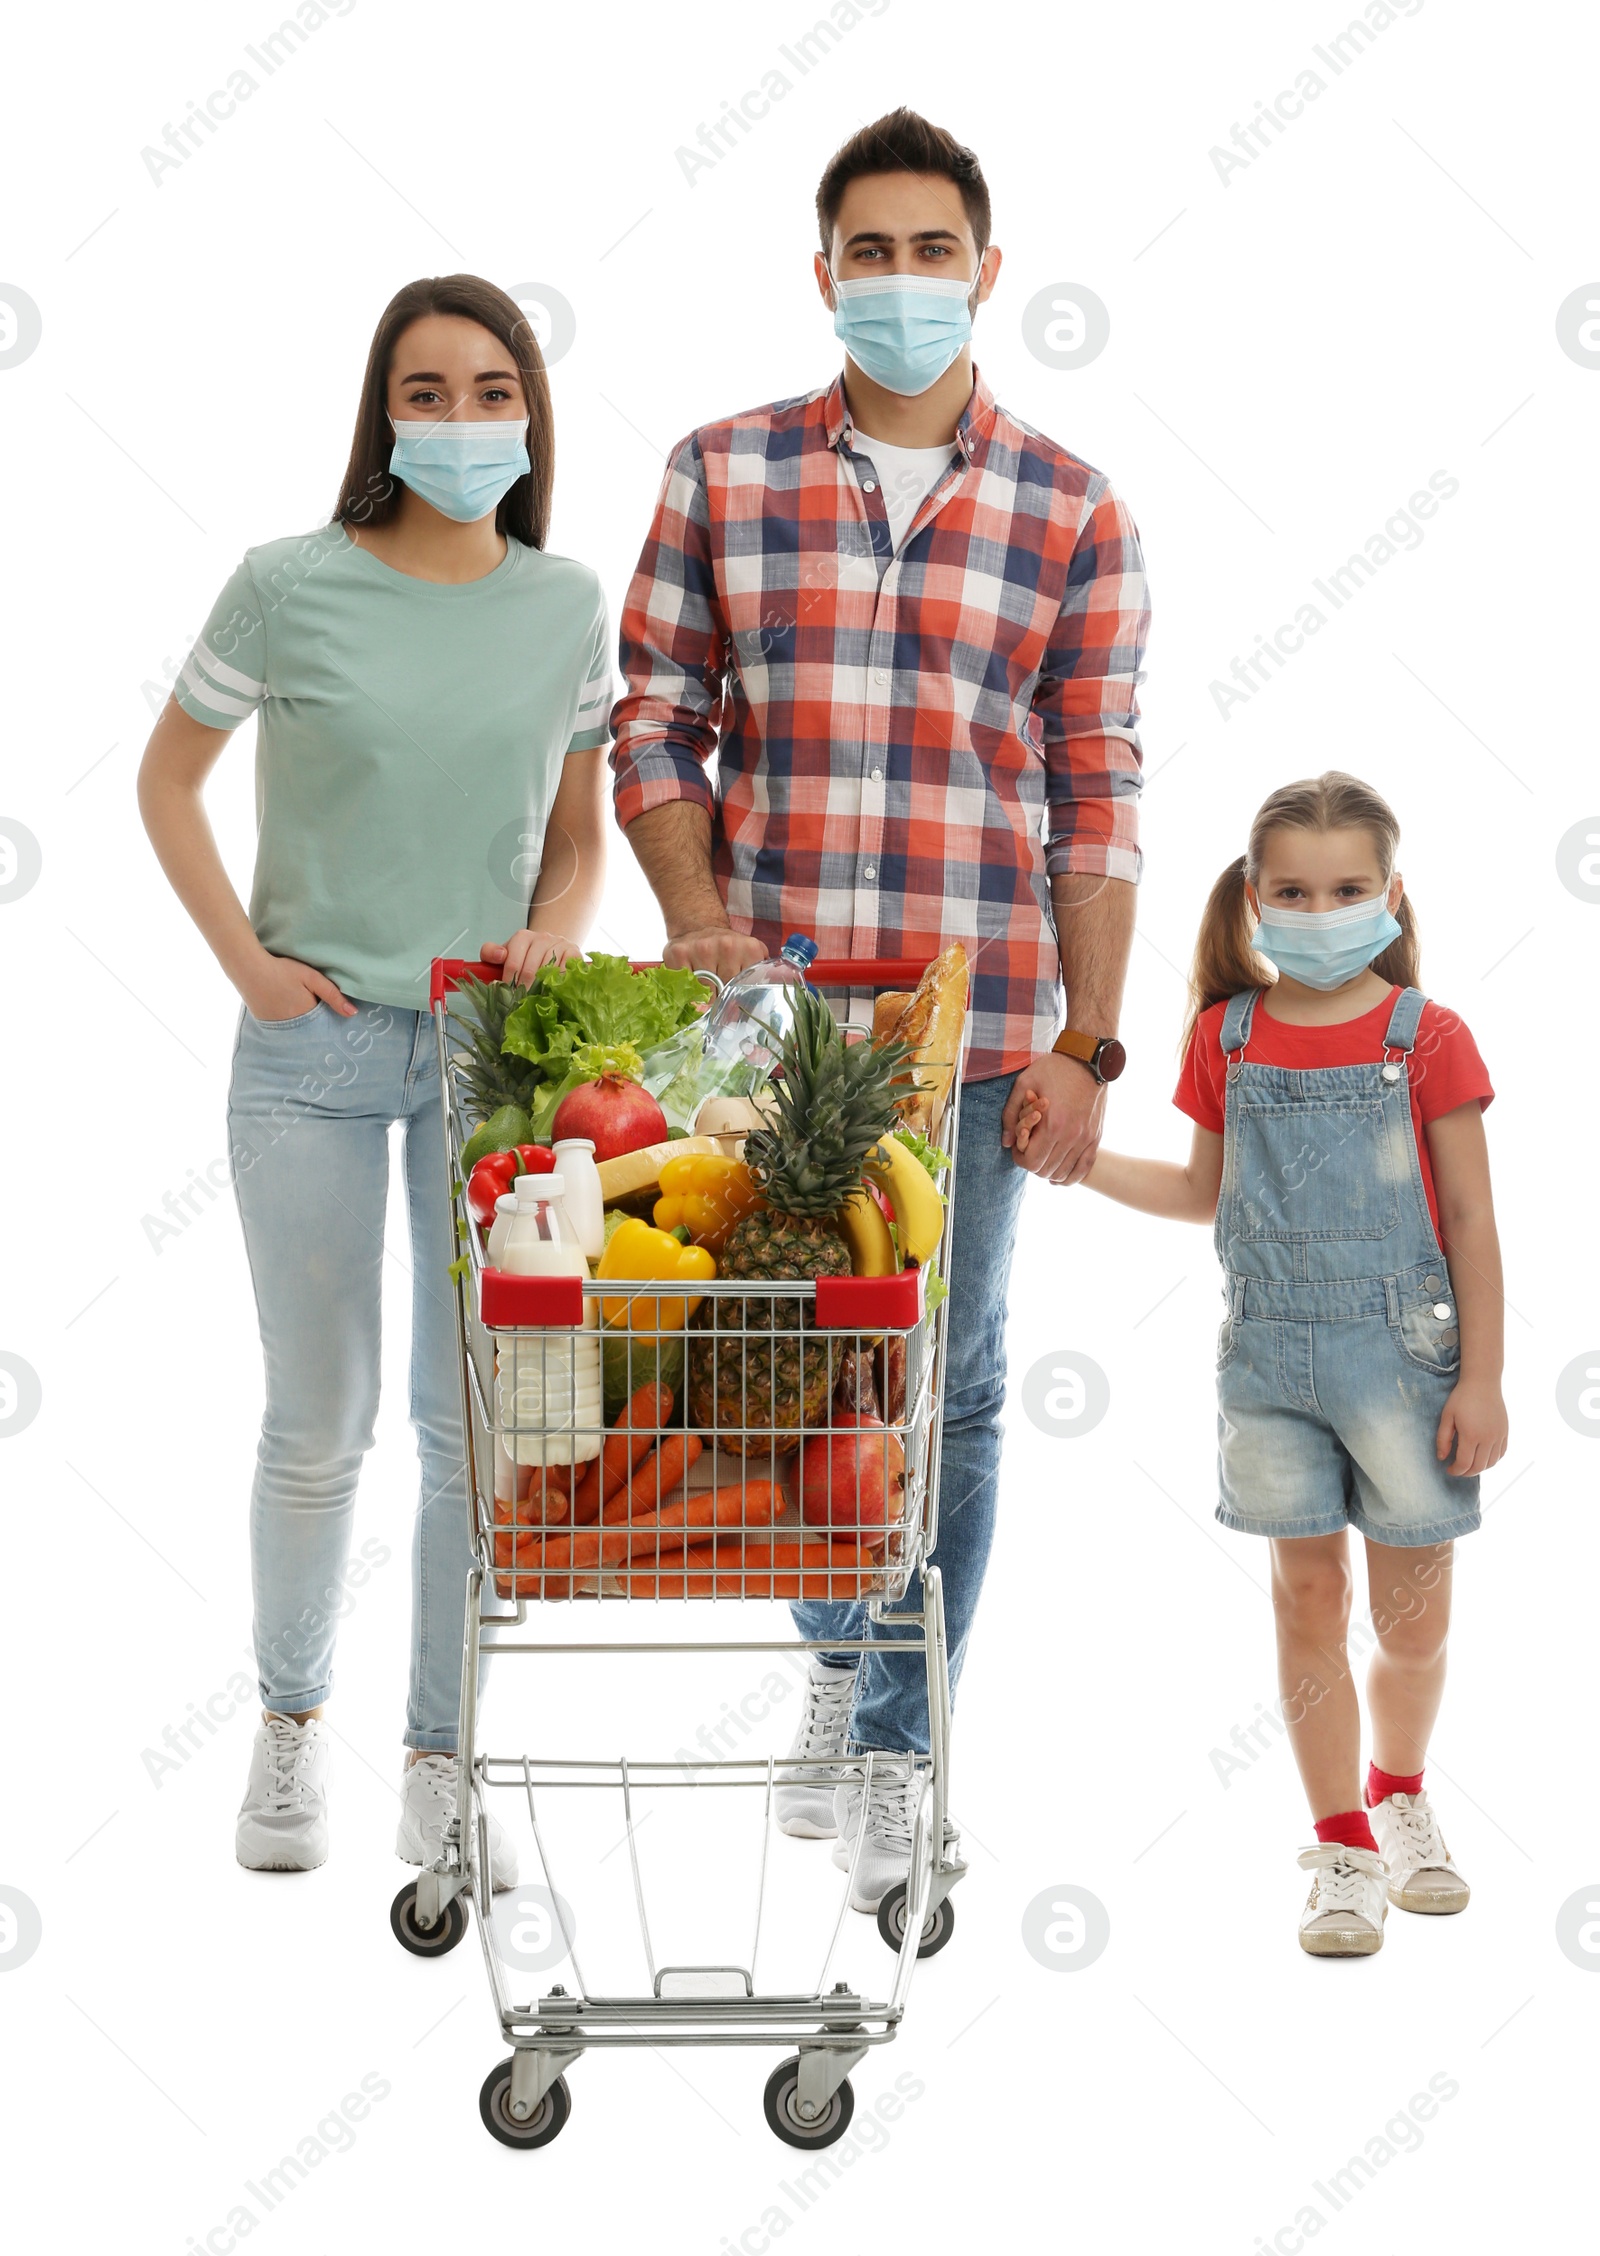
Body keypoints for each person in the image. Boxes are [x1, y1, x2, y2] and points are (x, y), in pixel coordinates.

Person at [610, 109, 1151, 1911]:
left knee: (955, 1382)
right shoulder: (720, 471)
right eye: (871, 251)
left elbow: (1098, 789)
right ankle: (843, 1664)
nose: (902, 282)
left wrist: (1088, 1040)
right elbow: (654, 712)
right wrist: (691, 912)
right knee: (782, 1370)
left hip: (972, 1022)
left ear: (988, 275)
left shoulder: (1073, 508)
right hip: (761, 1029)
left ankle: (907, 1740)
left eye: (936, 253)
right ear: (821, 267)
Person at [136, 274, 612, 1880]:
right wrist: (248, 967)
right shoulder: (289, 585)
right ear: (381, 410)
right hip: (312, 1052)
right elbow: (167, 780)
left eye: (492, 391)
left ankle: (439, 1751)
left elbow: (579, 830)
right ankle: (288, 1728)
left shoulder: (565, 605)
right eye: (429, 390)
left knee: (465, 1419)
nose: (462, 420)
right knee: (318, 1417)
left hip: (491, 1056)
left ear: (529, 414)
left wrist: (558, 925)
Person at [1019, 772, 1505, 1955]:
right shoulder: (1223, 1036)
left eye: (1346, 888)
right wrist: (1079, 1161)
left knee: (1410, 1621)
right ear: (1254, 898)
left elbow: (1474, 1223)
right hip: (1270, 1357)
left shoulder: (1425, 1035)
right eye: (1293, 888)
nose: (1320, 907)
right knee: (1304, 1597)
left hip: (1405, 1358)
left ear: (1389, 894)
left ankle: (1400, 1793)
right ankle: (1339, 1844)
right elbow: (1201, 1192)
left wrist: (1484, 1378)